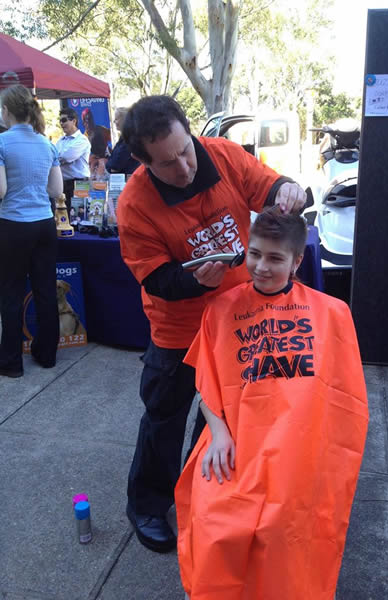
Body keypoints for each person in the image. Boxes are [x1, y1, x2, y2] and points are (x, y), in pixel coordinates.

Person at [116, 94, 306, 553]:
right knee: (165, 416)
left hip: (240, 321)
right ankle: (146, 503)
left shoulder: (222, 154)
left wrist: (289, 190)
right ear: (143, 162)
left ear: (190, 130)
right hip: (178, 331)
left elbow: (273, 188)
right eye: (167, 163)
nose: (183, 167)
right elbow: (156, 278)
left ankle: (202, 493)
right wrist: (196, 281)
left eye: (185, 150)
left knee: (221, 423)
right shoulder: (134, 204)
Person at [176, 206, 369, 600]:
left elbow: (344, 398)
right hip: (236, 440)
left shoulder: (333, 314)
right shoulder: (220, 308)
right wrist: (217, 434)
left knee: (290, 533)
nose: (262, 266)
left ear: (298, 261)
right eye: (255, 253)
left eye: (276, 258)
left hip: (300, 446)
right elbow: (206, 382)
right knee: (214, 522)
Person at [0, 84, 63, 378]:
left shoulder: (2, 144)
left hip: (13, 224)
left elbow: (0, 191)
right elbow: (56, 190)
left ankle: (11, 362)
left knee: (11, 293)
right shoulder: (47, 144)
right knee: (45, 290)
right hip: (44, 224)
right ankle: (47, 353)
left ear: (6, 111)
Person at [55, 107, 90, 214]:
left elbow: (67, 157)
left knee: (79, 217)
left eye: (64, 120)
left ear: (74, 121)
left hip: (79, 183)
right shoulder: (60, 141)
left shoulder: (82, 140)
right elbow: (54, 157)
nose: (61, 123)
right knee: (64, 216)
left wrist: (58, 158)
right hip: (63, 183)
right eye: (60, 120)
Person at [105, 107, 139, 175]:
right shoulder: (124, 137)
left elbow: (115, 166)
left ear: (124, 119)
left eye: (116, 119)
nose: (114, 121)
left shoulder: (129, 139)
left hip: (127, 180)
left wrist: (109, 165)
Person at [81, 107, 111, 178]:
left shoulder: (102, 130)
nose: (88, 122)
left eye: (89, 119)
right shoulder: (83, 137)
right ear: (83, 122)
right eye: (85, 120)